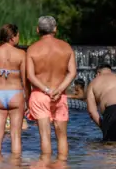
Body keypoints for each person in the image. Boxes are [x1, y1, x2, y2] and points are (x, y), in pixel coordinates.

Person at [24, 16, 77, 157]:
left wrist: (47, 90)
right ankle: (62, 168)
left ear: (37, 30)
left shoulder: (32, 49)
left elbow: (30, 76)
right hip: (60, 96)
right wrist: (59, 90)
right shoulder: (66, 47)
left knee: (45, 137)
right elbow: (72, 72)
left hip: (40, 95)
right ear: (55, 29)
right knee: (62, 137)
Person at [0, 23, 27, 155]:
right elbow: (25, 78)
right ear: (12, 38)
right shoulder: (21, 54)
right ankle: (15, 166)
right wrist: (28, 97)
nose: (18, 38)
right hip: (15, 93)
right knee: (16, 136)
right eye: (18, 36)